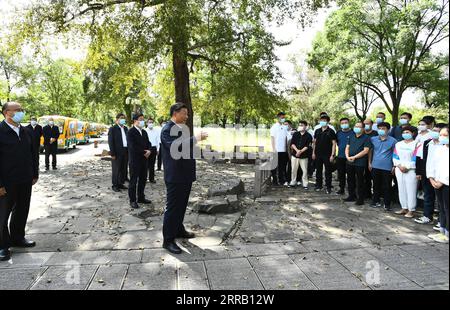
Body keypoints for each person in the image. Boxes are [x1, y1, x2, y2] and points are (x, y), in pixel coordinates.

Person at [161, 103, 208, 254]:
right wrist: (196, 138)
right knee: (173, 207)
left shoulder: (182, 128)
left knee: (182, 205)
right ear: (175, 113)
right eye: (185, 113)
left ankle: (179, 229)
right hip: (175, 176)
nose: (187, 116)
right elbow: (176, 147)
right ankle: (168, 240)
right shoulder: (167, 129)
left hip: (185, 174)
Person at [0, 102, 39, 261]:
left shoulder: (26, 131)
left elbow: (33, 153)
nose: (21, 112)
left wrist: (34, 173)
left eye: (22, 110)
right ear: (6, 113)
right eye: (17, 110)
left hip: (25, 179)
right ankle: (3, 246)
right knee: (2, 214)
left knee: (22, 209)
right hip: (6, 182)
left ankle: (18, 238)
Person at [415, 123, 446, 225]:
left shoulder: (444, 145)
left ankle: (442, 221)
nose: (435, 133)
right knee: (428, 195)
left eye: (438, 131)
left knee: (442, 200)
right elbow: (419, 158)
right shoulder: (426, 143)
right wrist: (419, 172)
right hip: (427, 174)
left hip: (442, 176)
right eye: (434, 130)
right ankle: (427, 216)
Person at [427, 126, 449, 243]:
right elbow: (432, 165)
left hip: (446, 183)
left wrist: (442, 181)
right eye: (441, 135)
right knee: (441, 207)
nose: (442, 137)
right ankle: (442, 231)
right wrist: (431, 178)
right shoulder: (439, 149)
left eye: (445, 135)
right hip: (436, 182)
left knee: (447, 208)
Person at [368, 122, 397, 211]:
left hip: (387, 167)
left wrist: (394, 166)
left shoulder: (393, 141)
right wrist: (369, 162)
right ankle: (375, 201)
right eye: (379, 128)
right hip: (375, 165)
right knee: (376, 185)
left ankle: (387, 203)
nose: (381, 130)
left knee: (387, 186)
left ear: (388, 130)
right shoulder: (373, 139)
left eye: (383, 128)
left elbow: (395, 154)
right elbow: (370, 151)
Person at [393, 126, 420, 218]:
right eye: (404, 132)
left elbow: (416, 157)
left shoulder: (417, 144)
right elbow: (395, 156)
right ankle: (404, 207)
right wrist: (399, 166)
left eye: (407, 132)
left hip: (411, 170)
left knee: (411, 190)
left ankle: (411, 210)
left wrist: (408, 167)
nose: (405, 134)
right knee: (401, 189)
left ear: (413, 133)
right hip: (399, 169)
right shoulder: (398, 144)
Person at [127, 113, 152, 209]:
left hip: (144, 160)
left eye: (143, 119)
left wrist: (149, 150)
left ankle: (141, 197)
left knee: (143, 179)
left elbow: (148, 143)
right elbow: (132, 146)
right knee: (133, 181)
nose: (142, 121)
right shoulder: (131, 132)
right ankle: (132, 200)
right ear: (135, 121)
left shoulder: (144, 132)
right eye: (140, 119)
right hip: (135, 160)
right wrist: (144, 152)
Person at [345, 122, 371, 206]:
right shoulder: (351, 136)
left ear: (363, 129)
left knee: (360, 181)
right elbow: (347, 147)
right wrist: (347, 156)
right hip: (349, 161)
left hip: (360, 162)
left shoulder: (366, 138)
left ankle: (360, 198)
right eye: (356, 126)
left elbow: (366, 150)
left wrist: (355, 157)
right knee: (350, 179)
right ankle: (351, 196)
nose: (357, 128)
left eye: (359, 127)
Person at [312, 114, 337, 194]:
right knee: (318, 170)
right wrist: (313, 153)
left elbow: (334, 144)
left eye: (325, 121)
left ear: (328, 122)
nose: (323, 122)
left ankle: (328, 187)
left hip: (327, 154)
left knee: (328, 171)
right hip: (318, 154)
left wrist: (332, 155)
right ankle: (319, 185)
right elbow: (314, 143)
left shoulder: (331, 131)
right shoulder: (317, 131)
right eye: (321, 120)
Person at [108, 113, 129, 193]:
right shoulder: (113, 129)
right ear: (117, 120)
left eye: (124, 118)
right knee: (116, 169)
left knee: (123, 169)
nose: (123, 119)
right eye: (121, 118)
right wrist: (112, 154)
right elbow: (111, 142)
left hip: (125, 151)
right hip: (117, 152)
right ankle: (115, 185)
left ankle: (120, 183)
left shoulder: (126, 128)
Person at [289, 121, 313, 189]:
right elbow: (292, 144)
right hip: (294, 155)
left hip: (304, 156)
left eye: (302, 125)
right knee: (293, 169)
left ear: (305, 126)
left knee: (304, 170)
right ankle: (293, 182)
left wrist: (300, 152)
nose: (300, 126)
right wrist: (297, 151)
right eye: (299, 125)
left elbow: (308, 146)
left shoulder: (309, 135)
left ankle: (305, 184)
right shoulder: (295, 134)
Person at [335, 118, 354, 195]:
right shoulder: (338, 133)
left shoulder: (353, 132)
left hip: (350, 157)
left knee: (351, 175)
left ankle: (351, 190)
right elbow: (336, 143)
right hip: (340, 156)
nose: (344, 124)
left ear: (349, 123)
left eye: (346, 122)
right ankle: (341, 188)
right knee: (341, 174)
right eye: (342, 123)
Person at [270, 112, 289, 186]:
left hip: (284, 150)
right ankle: (274, 180)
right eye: (281, 117)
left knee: (282, 166)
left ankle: (281, 180)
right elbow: (272, 138)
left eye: (284, 117)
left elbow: (287, 137)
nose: (283, 119)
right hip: (276, 149)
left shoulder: (285, 127)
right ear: (278, 118)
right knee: (275, 166)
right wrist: (274, 148)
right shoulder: (274, 127)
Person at [363, 119, 378, 199]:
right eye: (364, 124)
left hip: (373, 157)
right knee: (364, 177)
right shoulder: (362, 133)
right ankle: (366, 193)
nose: (366, 125)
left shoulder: (375, 134)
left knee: (373, 177)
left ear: (372, 124)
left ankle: (376, 195)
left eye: (367, 123)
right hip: (362, 157)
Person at [145, 118, 161, 184]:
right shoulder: (144, 131)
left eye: (152, 122)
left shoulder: (156, 131)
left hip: (154, 148)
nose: (151, 124)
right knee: (145, 165)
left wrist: (158, 149)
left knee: (152, 164)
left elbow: (158, 140)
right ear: (147, 123)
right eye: (149, 122)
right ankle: (144, 178)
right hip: (147, 149)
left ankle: (151, 178)